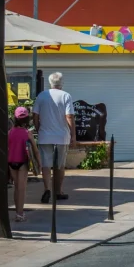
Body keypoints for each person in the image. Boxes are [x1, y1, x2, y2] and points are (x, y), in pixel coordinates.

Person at [33, 72, 76, 203]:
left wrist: (38, 127)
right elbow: (69, 116)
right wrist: (73, 134)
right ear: (62, 83)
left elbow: (35, 114)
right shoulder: (66, 96)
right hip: (61, 136)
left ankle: (47, 189)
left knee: (46, 165)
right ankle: (58, 191)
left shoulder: (42, 96)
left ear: (50, 83)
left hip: (45, 135)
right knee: (60, 165)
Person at [8, 106, 40, 223]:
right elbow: (36, 151)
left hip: (11, 162)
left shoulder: (9, 132)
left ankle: (18, 211)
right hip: (23, 162)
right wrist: (39, 164)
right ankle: (19, 214)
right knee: (22, 189)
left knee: (16, 188)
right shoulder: (28, 133)